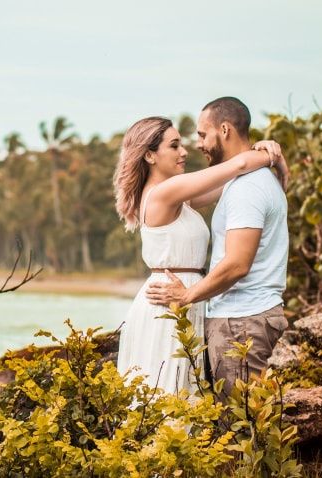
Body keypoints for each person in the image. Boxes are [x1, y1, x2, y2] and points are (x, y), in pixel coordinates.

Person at [113, 114, 286, 395]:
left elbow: (234, 178)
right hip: (169, 303)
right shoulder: (165, 193)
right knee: (168, 392)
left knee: (183, 390)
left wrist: (261, 151)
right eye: (174, 146)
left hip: (185, 297)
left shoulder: (178, 195)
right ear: (149, 155)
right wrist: (272, 156)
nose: (184, 152)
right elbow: (239, 164)